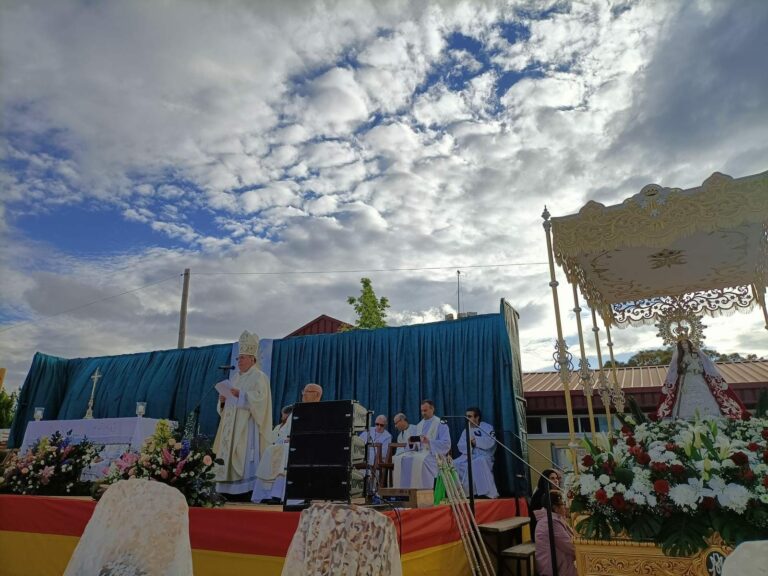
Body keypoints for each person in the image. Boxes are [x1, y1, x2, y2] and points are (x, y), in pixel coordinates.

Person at [213, 330, 272, 497]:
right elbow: (225, 405)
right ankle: (226, 489)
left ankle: (244, 490)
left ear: (252, 359)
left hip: (247, 425)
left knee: (244, 453)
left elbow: (262, 400)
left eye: (242, 358)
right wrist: (223, 400)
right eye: (238, 358)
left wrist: (243, 395)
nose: (239, 361)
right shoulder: (235, 378)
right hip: (231, 425)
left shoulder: (260, 377)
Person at [655, 337, 748, 420]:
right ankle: (685, 416)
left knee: (703, 393)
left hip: (698, 378)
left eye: (685, 343)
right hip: (687, 379)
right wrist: (684, 366)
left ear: (689, 343)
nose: (684, 345)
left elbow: (703, 367)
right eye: (682, 344)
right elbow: (678, 370)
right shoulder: (680, 357)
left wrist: (696, 366)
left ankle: (709, 414)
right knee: (686, 395)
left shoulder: (697, 354)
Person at [392, 399, 451, 489]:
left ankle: (425, 491)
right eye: (422, 411)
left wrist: (429, 442)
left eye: (425, 410)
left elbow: (446, 443)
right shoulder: (420, 425)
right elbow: (415, 446)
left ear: (432, 409)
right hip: (420, 452)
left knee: (421, 461)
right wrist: (411, 443)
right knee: (401, 459)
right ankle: (405, 490)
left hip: (434, 454)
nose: (423, 413)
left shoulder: (441, 423)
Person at [251, 405, 293, 504]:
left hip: (284, 449)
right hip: (276, 448)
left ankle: (277, 494)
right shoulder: (279, 427)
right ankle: (265, 494)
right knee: (269, 451)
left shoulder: (290, 421)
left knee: (280, 462)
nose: (282, 417)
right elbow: (273, 438)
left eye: (283, 415)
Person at [453, 407, 498, 499]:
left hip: (484, 456)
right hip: (469, 455)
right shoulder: (466, 430)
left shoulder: (486, 427)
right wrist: (470, 445)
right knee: (455, 463)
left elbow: (491, 441)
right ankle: (464, 493)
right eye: (466, 416)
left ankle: (487, 493)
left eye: (469, 416)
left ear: (477, 418)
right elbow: (460, 445)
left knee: (478, 462)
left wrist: (476, 441)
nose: (467, 419)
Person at [534, 490, 576, 576]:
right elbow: (570, 546)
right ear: (555, 508)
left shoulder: (555, 518)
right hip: (555, 569)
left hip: (563, 561)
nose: (565, 506)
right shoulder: (550, 522)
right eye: (563, 504)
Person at [529, 469, 561, 541]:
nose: (556, 481)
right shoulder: (540, 495)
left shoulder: (553, 493)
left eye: (557, 478)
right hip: (541, 532)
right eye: (552, 478)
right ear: (545, 480)